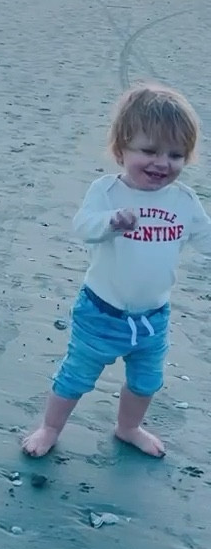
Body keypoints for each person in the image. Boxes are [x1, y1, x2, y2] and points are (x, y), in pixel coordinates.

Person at [22, 84, 211, 460]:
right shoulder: (107, 192)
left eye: (175, 155)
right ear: (122, 148)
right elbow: (83, 227)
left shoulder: (184, 201)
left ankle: (128, 428)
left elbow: (206, 239)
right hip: (101, 313)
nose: (162, 163)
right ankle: (50, 428)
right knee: (75, 376)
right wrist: (111, 222)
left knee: (146, 383)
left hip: (154, 319)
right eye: (149, 151)